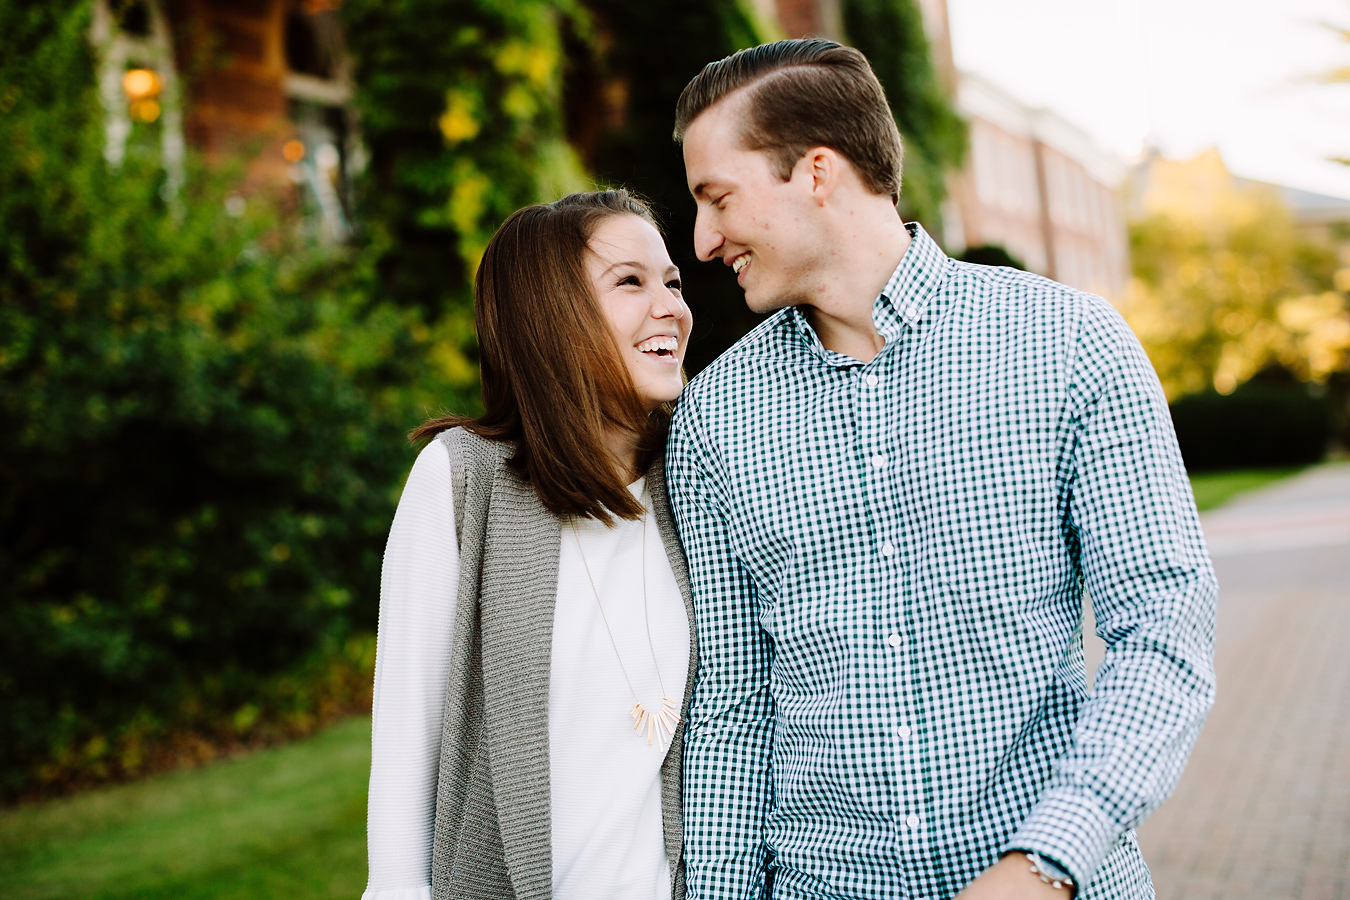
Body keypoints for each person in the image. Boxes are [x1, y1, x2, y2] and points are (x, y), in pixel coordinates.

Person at [665, 39, 1216, 900]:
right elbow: (732, 711)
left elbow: (1164, 635)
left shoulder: (1070, 343)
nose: (701, 241)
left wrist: (1043, 865)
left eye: (718, 198)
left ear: (816, 173)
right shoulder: (715, 417)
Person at [362, 190, 697, 900]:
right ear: (553, 315)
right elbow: (404, 740)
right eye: (630, 281)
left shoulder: (696, 480)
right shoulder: (463, 479)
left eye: (671, 281)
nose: (671, 306)